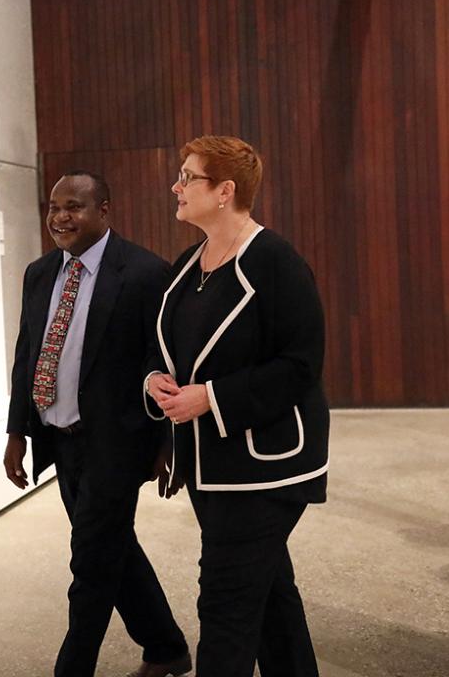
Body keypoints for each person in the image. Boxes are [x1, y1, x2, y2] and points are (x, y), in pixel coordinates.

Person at [145, 135, 329, 677]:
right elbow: (164, 346)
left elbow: (301, 366)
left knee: (225, 602)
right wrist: (156, 378)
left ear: (225, 191)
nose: (176, 186)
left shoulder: (277, 263)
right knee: (270, 596)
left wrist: (212, 398)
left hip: (265, 468)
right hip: (210, 466)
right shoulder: (189, 262)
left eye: (188, 177)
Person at [4, 171, 191, 677]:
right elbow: (29, 354)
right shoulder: (39, 273)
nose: (61, 217)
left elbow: (164, 363)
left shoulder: (147, 273)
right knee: (111, 548)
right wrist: (17, 431)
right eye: (54, 207)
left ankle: (74, 668)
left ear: (103, 211)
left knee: (89, 562)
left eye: (74, 207)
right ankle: (166, 647)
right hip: (59, 438)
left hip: (118, 442)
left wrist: (167, 441)